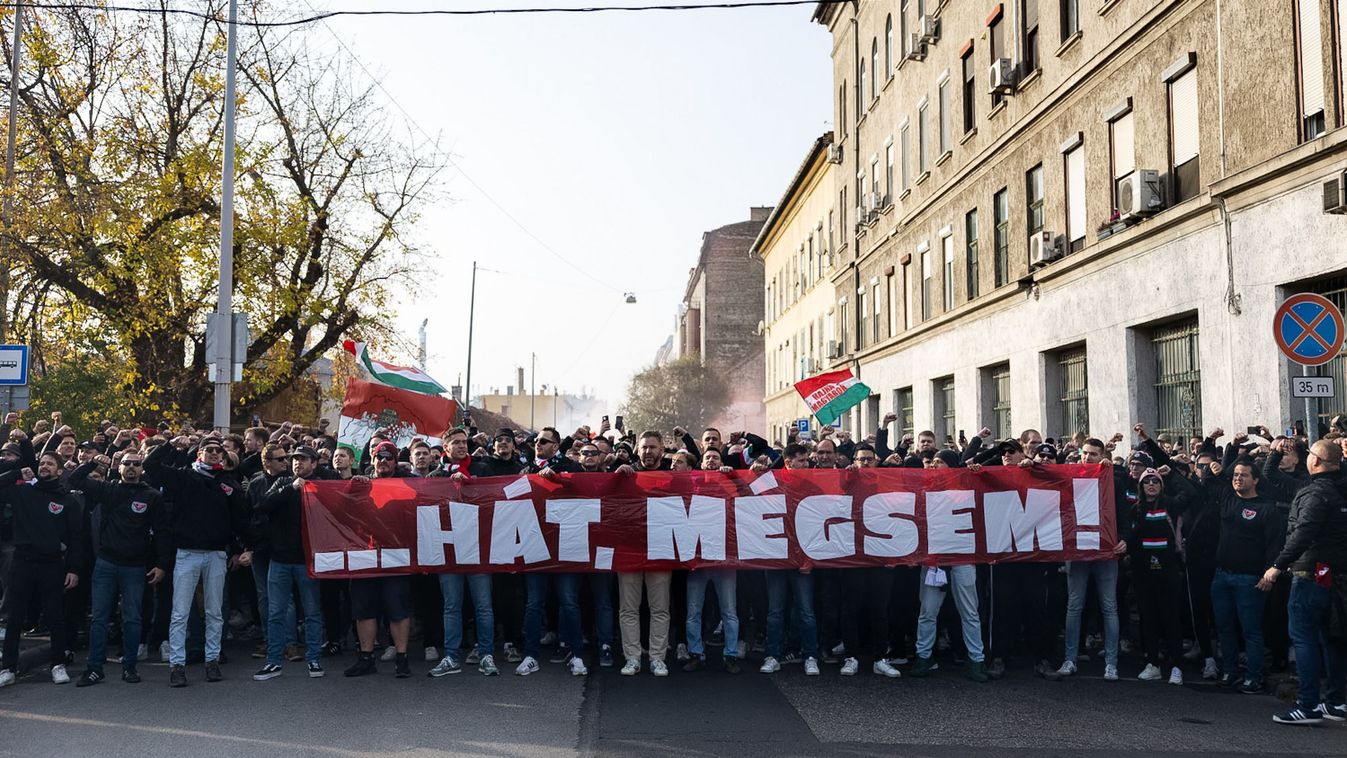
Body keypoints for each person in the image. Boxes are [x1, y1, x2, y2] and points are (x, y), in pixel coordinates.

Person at [144, 435, 251, 687]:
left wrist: (242, 549)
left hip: (216, 555)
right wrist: (170, 444)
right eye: (209, 449)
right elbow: (150, 466)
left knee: (215, 612)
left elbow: (239, 520)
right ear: (199, 453)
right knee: (180, 613)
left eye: (218, 450)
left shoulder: (228, 483)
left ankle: (212, 660)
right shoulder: (184, 476)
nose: (214, 453)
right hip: (187, 554)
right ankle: (177, 665)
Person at [1260, 441, 1347, 725]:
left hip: (1311, 572)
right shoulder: (1339, 489)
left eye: (1310, 455)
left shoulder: (1316, 493)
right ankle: (1336, 701)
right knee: (1331, 637)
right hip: (1334, 573)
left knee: (1304, 636)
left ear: (1316, 461)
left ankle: (1308, 704)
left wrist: (1277, 565)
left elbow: (1304, 532)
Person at [71, 450, 169, 686]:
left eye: (136, 463)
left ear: (142, 469)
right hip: (106, 563)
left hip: (135, 566)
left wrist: (161, 564)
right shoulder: (108, 489)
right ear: (120, 467)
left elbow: (163, 532)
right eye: (127, 463)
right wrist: (93, 462)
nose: (132, 467)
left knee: (132, 618)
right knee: (99, 618)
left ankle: (130, 667)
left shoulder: (152, 496)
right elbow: (75, 479)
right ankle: (94, 668)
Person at [252, 446, 341, 681]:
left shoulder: (322, 484)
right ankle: (274, 662)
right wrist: (290, 488)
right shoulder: (283, 482)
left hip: (307, 561)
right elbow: (262, 505)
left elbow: (341, 504)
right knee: (276, 613)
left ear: (314, 463)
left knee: (312, 612)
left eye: (302, 459)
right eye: (294, 459)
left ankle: (314, 659)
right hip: (279, 559)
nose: (297, 463)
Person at [1199, 457, 1283, 694]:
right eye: (1235, 475)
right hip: (1222, 576)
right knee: (1224, 627)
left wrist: (1269, 574)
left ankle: (1254, 677)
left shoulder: (1267, 509)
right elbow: (1208, 480)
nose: (1238, 479)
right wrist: (1216, 468)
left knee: (1251, 630)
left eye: (1244, 475)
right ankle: (1230, 671)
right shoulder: (1227, 497)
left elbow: (1274, 546)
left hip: (1250, 579)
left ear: (1255, 480)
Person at [0, 452, 83, 686]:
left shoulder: (67, 500)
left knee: (55, 616)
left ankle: (58, 665)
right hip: (22, 561)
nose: (44, 466)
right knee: (15, 617)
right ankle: (8, 668)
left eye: (50, 463)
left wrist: (74, 569)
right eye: (42, 463)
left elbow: (76, 538)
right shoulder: (22, 491)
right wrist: (16, 473)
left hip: (51, 564)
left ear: (59, 471)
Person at [1054, 438, 1130, 682]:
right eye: (1084, 453)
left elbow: (1124, 511)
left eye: (1093, 454)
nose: (1087, 458)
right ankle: (1070, 659)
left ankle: (1111, 663)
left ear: (1103, 456)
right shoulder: (1070, 477)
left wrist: (1125, 538)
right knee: (1074, 606)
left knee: (1109, 606)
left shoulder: (1113, 479)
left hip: (1105, 550)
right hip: (1077, 550)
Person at [427, 427, 499, 677]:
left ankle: (486, 654)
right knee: (451, 606)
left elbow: (494, 499)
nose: (461, 446)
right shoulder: (436, 476)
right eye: (456, 442)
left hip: (478, 548)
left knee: (484, 606)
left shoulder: (482, 469)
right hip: (449, 550)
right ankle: (451, 657)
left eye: (464, 442)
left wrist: (472, 486)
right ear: (445, 447)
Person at [345, 442, 415, 679]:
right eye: (379, 457)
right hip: (365, 555)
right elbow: (341, 509)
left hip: (396, 555)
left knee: (398, 609)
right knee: (364, 609)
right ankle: (366, 658)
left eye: (389, 457)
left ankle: (402, 659)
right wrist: (353, 488)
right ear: (372, 460)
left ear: (396, 461)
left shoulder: (407, 484)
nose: (383, 461)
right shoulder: (360, 484)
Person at [759, 444, 820, 676]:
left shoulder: (812, 486)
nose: (807, 464)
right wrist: (754, 472)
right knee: (775, 611)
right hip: (775, 556)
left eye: (806, 460)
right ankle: (772, 655)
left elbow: (819, 524)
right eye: (802, 461)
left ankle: (810, 655)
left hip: (802, 558)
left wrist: (810, 558)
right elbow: (744, 494)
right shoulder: (770, 481)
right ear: (788, 463)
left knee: (806, 611)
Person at [615, 431, 673, 676]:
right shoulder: (625, 474)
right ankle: (632, 658)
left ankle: (657, 658)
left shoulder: (672, 477)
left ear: (662, 450)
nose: (648, 452)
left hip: (660, 551)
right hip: (629, 551)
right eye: (644, 447)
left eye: (652, 447)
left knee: (660, 609)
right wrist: (616, 476)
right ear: (637, 450)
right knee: (628, 609)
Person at [683, 448, 741, 674]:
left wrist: (731, 477)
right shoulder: (692, 483)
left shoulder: (728, 482)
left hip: (724, 560)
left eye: (716, 457)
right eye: (707, 458)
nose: (711, 461)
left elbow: (742, 499)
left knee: (729, 611)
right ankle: (696, 653)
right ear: (701, 463)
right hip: (698, 560)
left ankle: (731, 655)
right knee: (693, 612)